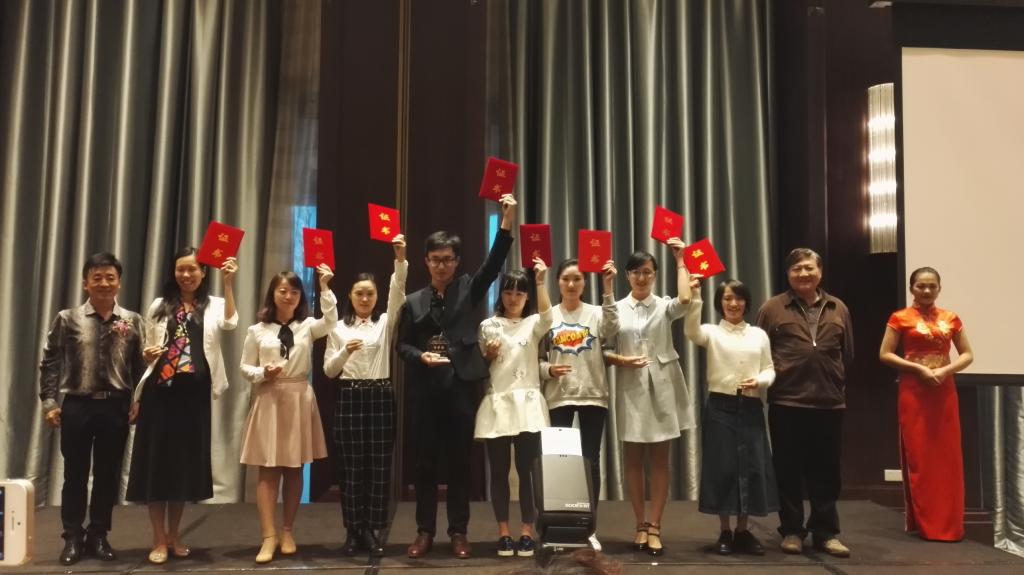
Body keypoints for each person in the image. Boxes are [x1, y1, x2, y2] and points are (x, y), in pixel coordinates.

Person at [397, 195, 517, 559]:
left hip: (461, 388)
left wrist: (506, 223)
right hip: (424, 392)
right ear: (426, 261)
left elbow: (493, 266)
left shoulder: (468, 288)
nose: (441, 265)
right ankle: (424, 532)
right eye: (435, 259)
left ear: (457, 261)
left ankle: (459, 532)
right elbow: (402, 345)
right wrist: (420, 356)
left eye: (447, 259)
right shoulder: (413, 301)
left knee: (460, 464)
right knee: (424, 466)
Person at [126, 249, 238, 564]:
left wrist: (228, 283)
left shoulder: (214, 305)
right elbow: (149, 348)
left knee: (182, 468)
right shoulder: (159, 305)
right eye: (180, 270)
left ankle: (174, 535)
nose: (186, 275)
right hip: (159, 395)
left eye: (192, 270)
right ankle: (157, 538)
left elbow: (231, 323)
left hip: (194, 397)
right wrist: (147, 355)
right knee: (156, 466)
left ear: (203, 272)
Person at [39, 252, 146, 565]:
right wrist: (49, 402)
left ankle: (99, 534)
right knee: (74, 474)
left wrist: (139, 400)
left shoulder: (132, 320)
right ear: (85, 283)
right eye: (96, 278)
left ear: (119, 283)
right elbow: (50, 362)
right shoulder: (67, 318)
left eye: (110, 277)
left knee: (107, 475)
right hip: (77, 406)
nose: (103, 283)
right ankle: (72, 537)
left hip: (116, 406)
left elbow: (141, 367)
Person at [756, 248, 854, 557]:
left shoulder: (838, 308)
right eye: (796, 268)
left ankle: (825, 532)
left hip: (828, 403)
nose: (803, 273)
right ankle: (792, 530)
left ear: (820, 272)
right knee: (787, 470)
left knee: (827, 472)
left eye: (809, 268)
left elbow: (848, 354)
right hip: (787, 402)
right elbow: (758, 352)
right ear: (788, 274)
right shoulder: (772, 308)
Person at [239, 263, 336, 563]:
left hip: (298, 396)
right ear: (273, 294)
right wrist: (262, 373)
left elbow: (331, 322)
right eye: (283, 291)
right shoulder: (257, 330)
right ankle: (268, 536)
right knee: (268, 470)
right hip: (269, 396)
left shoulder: (307, 326)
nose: (288, 296)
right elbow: (245, 367)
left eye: (294, 292)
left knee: (295, 468)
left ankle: (288, 530)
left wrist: (325, 286)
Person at [602, 239, 692, 556]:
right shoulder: (617, 306)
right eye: (636, 272)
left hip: (663, 386)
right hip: (630, 387)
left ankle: (655, 525)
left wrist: (681, 260)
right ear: (627, 275)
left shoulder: (664, 305)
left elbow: (685, 299)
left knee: (660, 460)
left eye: (647, 272)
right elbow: (606, 335)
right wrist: (607, 288)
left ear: (655, 275)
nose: (641, 278)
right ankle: (639, 523)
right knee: (633, 459)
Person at [324, 235, 407, 557]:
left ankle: (372, 530)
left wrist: (399, 259)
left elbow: (398, 291)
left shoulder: (384, 322)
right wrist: (345, 351)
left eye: (370, 293)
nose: (364, 298)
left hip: (380, 396)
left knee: (379, 468)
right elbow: (329, 371)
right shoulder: (337, 328)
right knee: (351, 469)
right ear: (350, 294)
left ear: (376, 297)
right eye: (359, 293)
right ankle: (352, 530)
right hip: (349, 396)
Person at [879, 267, 974, 541]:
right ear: (912, 288)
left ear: (939, 288)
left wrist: (945, 371)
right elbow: (885, 354)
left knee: (948, 457)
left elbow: (967, 354)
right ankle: (926, 524)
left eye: (932, 286)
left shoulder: (951, 318)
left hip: (944, 391)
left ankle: (950, 524)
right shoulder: (900, 317)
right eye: (921, 286)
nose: (927, 290)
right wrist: (919, 369)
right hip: (914, 390)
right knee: (919, 455)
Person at [685, 278, 777, 555]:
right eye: (727, 298)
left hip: (750, 405)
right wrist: (695, 295)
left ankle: (743, 531)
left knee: (751, 467)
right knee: (723, 468)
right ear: (719, 303)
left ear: (746, 302)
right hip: (720, 407)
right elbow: (691, 331)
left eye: (738, 298)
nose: (733, 304)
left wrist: (760, 381)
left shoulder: (758, 335)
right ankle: (725, 531)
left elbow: (770, 368)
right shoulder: (711, 332)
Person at [539, 257, 619, 551]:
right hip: (558, 395)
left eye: (577, 279)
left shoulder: (596, 312)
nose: (571, 284)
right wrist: (549, 370)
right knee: (558, 463)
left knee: (590, 462)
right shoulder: (548, 315)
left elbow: (612, 329)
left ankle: (589, 528)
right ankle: (555, 526)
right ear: (557, 282)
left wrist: (608, 288)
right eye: (565, 279)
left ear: (585, 283)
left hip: (592, 394)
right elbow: (537, 359)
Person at [476, 259, 552, 558]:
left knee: (527, 471)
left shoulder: (533, 323)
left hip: (528, 404)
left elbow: (547, 317)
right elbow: (478, 368)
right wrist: (487, 355)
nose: (513, 298)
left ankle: (527, 531)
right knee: (498, 471)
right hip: (497, 403)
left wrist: (541, 281)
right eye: (508, 292)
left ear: (527, 296)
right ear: (501, 294)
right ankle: (504, 532)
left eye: (520, 293)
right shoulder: (488, 326)